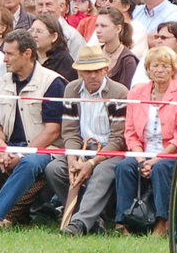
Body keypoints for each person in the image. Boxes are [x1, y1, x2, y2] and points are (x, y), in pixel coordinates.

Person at [0, 31, 66, 232]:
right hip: (9, 146)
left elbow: (53, 131)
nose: (4, 59)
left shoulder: (52, 82)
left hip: (43, 150)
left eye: (10, 54)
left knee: (29, 163)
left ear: (27, 53)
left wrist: (20, 154)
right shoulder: (2, 82)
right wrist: (0, 147)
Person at [46, 46, 130, 235]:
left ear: (105, 70)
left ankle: (80, 223)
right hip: (81, 148)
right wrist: (72, 159)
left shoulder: (119, 92)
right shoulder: (71, 90)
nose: (93, 76)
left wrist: (91, 162)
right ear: (79, 72)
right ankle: (92, 217)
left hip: (109, 152)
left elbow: (118, 138)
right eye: (87, 71)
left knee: (101, 172)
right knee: (54, 169)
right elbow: (70, 131)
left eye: (96, 71)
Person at [115, 46, 177, 236]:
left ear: (174, 69)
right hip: (142, 152)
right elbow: (131, 132)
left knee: (160, 168)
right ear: (148, 70)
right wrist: (142, 160)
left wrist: (156, 159)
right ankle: (124, 223)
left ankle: (162, 222)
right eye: (155, 66)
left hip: (171, 153)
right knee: (124, 167)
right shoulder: (136, 93)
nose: (160, 70)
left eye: (165, 66)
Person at [89, 8, 139, 88]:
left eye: (103, 26)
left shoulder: (128, 60)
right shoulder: (93, 54)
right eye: (96, 26)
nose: (98, 30)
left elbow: (126, 92)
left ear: (118, 29)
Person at [28, 16, 78, 81]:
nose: (34, 35)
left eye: (39, 31)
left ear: (54, 36)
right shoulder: (28, 57)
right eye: (31, 30)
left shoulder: (64, 61)